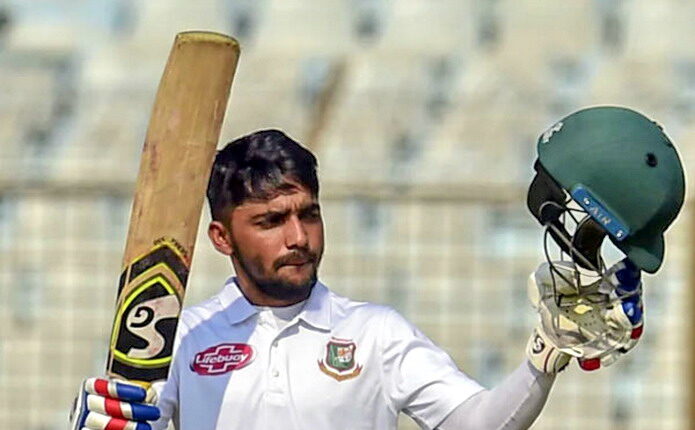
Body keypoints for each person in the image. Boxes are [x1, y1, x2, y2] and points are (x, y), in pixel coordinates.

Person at [71, 106, 684, 429]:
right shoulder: (182, 337)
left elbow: (476, 425)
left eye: (308, 214)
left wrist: (540, 362)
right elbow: (126, 416)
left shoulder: (375, 334)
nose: (298, 237)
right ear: (221, 238)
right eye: (271, 221)